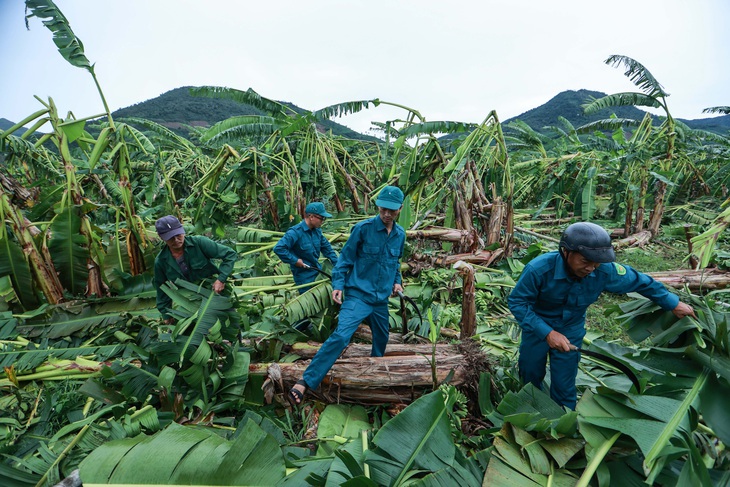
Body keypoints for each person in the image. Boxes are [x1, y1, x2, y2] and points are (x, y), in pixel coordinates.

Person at [508, 221, 696, 410]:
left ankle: (563, 422)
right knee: (530, 372)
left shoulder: (604, 272)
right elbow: (518, 302)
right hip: (537, 324)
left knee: (564, 382)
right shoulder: (539, 270)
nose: (591, 268)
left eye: (596, 262)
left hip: (571, 327)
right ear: (565, 252)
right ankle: (530, 410)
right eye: (585, 261)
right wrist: (547, 333)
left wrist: (673, 303)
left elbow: (641, 282)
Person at [288, 186, 407, 404]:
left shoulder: (400, 235)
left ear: (400, 208)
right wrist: (338, 285)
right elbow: (344, 259)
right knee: (341, 336)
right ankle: (306, 381)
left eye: (391, 210)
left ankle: (374, 371)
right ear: (378, 206)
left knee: (382, 337)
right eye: (382, 209)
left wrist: (397, 283)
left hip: (380, 300)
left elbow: (395, 264)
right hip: (358, 296)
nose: (386, 214)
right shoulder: (363, 229)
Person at [153, 215, 238, 324]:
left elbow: (230, 255)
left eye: (178, 235)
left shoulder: (199, 243)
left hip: (214, 293)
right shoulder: (161, 261)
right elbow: (162, 289)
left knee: (231, 324)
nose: (176, 240)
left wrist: (221, 279)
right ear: (161, 237)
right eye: (170, 238)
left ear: (182, 230)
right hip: (189, 303)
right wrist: (165, 314)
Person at [273, 202, 338, 292]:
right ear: (311, 217)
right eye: (321, 218)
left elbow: (328, 249)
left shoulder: (317, 231)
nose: (322, 221)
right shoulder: (295, 232)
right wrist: (295, 261)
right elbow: (279, 248)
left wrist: (339, 265)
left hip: (317, 271)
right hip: (304, 278)